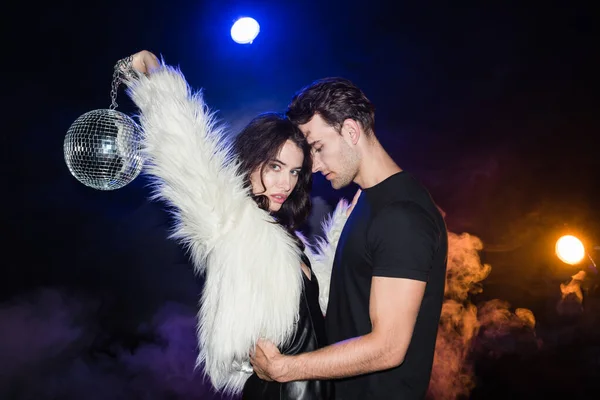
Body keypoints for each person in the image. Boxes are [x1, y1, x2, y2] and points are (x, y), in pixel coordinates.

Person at [119, 50, 355, 399]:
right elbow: (187, 157)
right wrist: (156, 83)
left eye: (293, 171)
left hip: (317, 389)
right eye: (275, 167)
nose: (286, 183)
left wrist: (344, 233)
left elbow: (321, 311)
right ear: (250, 162)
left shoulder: (289, 241)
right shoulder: (229, 220)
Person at [250, 77, 449, 399]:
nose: (312, 166)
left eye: (318, 148)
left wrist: (284, 368)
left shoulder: (401, 216)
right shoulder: (368, 200)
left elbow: (388, 348)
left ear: (351, 131)